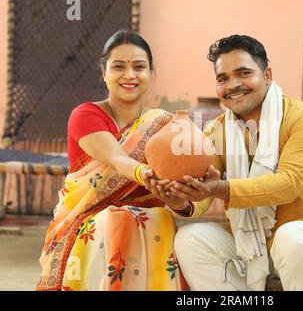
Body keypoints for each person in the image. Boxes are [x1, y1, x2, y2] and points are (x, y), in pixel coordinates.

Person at [156, 35, 303, 291]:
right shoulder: (218, 131)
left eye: (243, 73)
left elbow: (288, 184)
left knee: (291, 238)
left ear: (267, 75)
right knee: (190, 239)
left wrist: (222, 188)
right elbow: (203, 189)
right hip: (249, 245)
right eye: (223, 78)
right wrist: (179, 199)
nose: (233, 85)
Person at [36, 30, 192, 291]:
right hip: (89, 218)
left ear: (151, 73)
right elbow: (116, 158)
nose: (129, 75)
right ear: (104, 72)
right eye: (119, 66)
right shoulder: (85, 114)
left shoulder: (164, 124)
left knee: (160, 219)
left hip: (151, 218)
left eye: (139, 67)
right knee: (118, 219)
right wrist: (146, 174)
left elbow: (181, 194)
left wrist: (177, 198)